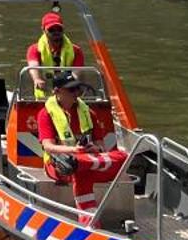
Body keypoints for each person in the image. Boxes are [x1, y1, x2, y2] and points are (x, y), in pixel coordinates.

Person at [36, 70, 127, 217]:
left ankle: (88, 219)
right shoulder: (45, 114)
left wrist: (95, 148)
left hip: (86, 160)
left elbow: (100, 145)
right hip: (58, 164)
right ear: (57, 92)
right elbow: (48, 146)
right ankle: (89, 218)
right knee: (80, 172)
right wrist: (75, 150)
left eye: (78, 88)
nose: (76, 93)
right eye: (71, 89)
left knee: (123, 157)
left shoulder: (88, 113)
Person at [24, 11, 84, 98]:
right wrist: (37, 79)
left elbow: (76, 73)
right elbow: (33, 67)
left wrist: (69, 88)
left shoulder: (76, 50)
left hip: (68, 97)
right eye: (51, 30)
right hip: (43, 98)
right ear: (43, 30)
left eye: (59, 29)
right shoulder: (34, 49)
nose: (56, 33)